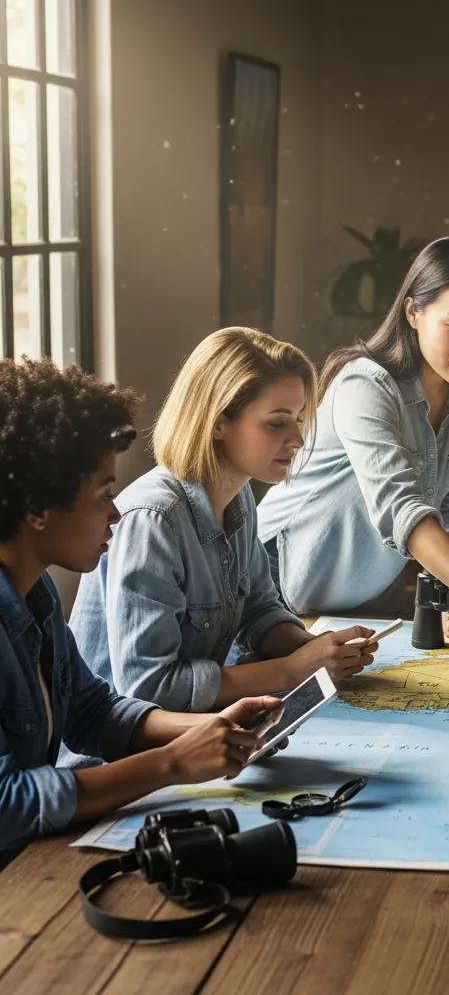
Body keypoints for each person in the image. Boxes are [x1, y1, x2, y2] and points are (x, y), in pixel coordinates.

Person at [0, 358, 286, 867]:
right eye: (103, 495)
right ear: (36, 509)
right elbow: (9, 804)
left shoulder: (35, 593)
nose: (115, 512)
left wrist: (212, 729)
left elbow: (93, 712)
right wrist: (173, 762)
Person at [258, 236, 449, 658]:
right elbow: (400, 506)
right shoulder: (365, 384)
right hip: (279, 579)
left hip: (365, 590)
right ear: (413, 312)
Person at [70, 328, 379, 713]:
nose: (298, 439)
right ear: (217, 422)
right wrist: (291, 670)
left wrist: (319, 649)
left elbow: (260, 611)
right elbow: (150, 687)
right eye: (277, 423)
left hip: (201, 731)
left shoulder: (239, 498)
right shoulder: (153, 520)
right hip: (124, 760)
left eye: (299, 419)